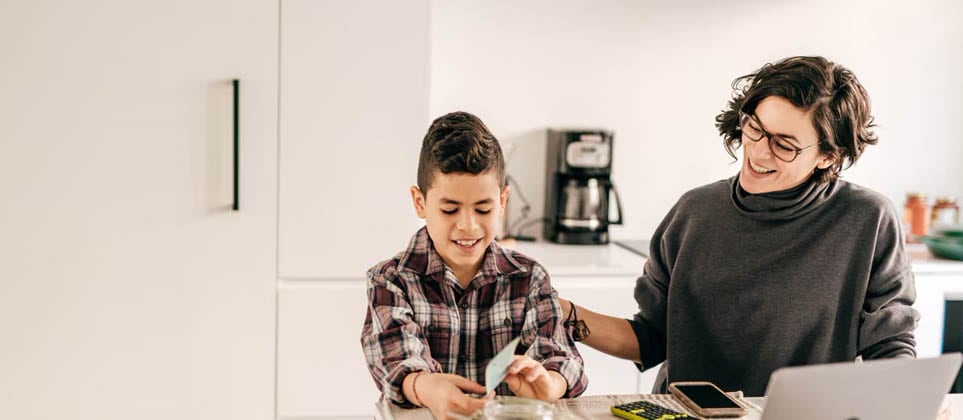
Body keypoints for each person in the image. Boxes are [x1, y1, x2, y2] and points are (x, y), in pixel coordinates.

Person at [559, 56, 920, 397]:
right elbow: (651, 337)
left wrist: (911, 398)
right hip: (685, 413)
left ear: (828, 155)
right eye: (756, 128)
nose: (759, 152)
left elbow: (889, 344)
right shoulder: (694, 212)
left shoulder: (866, 219)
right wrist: (563, 312)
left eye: (785, 145)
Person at [361, 111, 588, 419]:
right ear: (420, 203)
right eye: (450, 209)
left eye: (483, 209)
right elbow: (396, 360)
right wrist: (427, 387)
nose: (468, 226)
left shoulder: (529, 278)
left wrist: (549, 383)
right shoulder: (391, 280)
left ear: (503, 201)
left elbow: (561, 357)